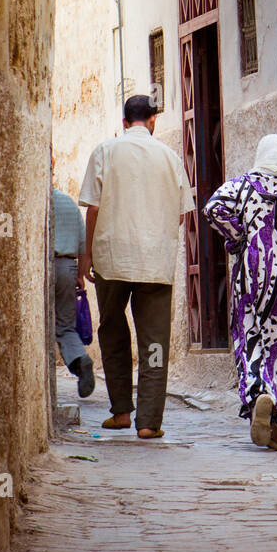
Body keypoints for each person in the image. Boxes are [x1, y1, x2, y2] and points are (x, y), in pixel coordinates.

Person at [78, 94, 194, 439]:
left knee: (112, 331)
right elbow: (180, 214)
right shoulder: (171, 157)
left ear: (125, 121)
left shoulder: (105, 151)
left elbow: (94, 209)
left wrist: (86, 256)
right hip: (155, 261)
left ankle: (121, 412)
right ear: (153, 120)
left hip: (112, 257)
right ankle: (149, 421)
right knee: (154, 340)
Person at [203, 134, 277, 451]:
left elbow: (213, 208)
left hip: (250, 274)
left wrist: (238, 237)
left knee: (251, 338)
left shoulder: (239, 185)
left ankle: (259, 394)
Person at [52, 185, 96, 399]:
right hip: (66, 267)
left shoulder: (36, 200)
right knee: (65, 326)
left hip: (45, 264)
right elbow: (82, 243)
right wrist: (80, 274)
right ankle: (79, 358)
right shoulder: (68, 203)